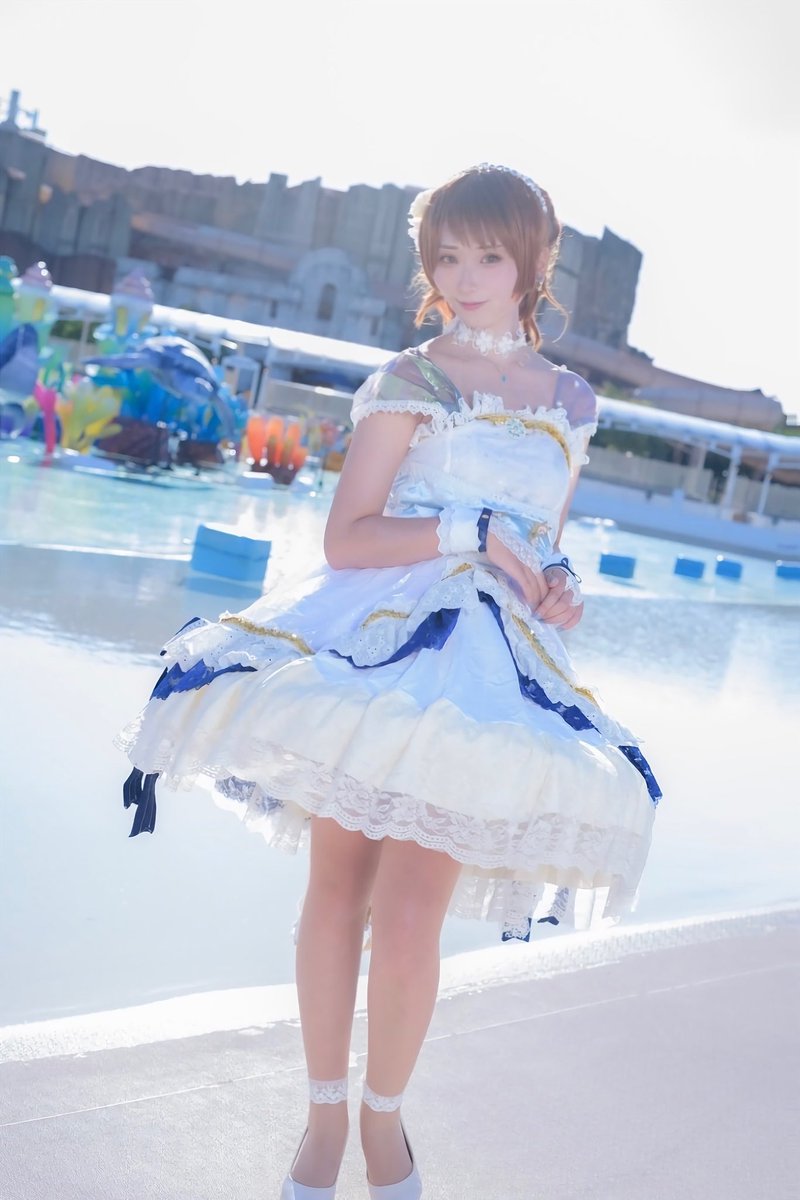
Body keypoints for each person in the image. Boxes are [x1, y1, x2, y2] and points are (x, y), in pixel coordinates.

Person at [117, 162, 662, 1200]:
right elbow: (348, 537)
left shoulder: (572, 401)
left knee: (415, 916)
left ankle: (384, 1128)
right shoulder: (413, 378)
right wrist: (472, 530)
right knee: (339, 889)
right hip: (382, 644)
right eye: (446, 256)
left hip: (489, 672)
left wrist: (560, 585)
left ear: (532, 262)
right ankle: (323, 1124)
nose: (464, 277)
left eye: (487, 256)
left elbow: (545, 541)